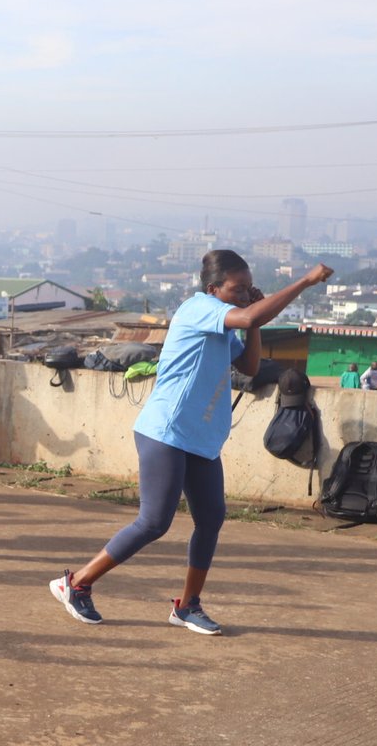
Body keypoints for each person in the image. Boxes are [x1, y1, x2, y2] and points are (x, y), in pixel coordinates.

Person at [50, 253, 333, 634]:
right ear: (213, 289)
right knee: (154, 521)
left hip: (200, 438)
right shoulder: (199, 308)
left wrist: (254, 321)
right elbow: (249, 316)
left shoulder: (228, 324)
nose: (245, 294)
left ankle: (187, 606)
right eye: (238, 288)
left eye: (249, 288)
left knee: (212, 518)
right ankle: (77, 582)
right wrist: (304, 282)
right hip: (165, 431)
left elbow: (249, 366)